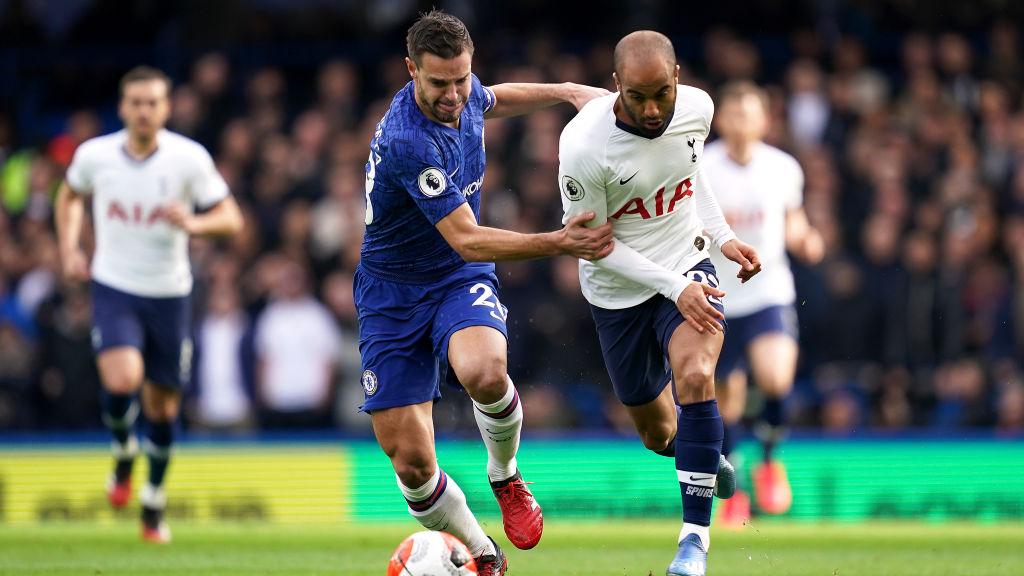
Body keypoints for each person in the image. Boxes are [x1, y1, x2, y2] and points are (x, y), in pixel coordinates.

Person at [357, 10, 611, 576]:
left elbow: (493, 98)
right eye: (439, 83)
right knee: (412, 464)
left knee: (485, 371)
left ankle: (505, 474)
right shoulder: (408, 142)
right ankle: (483, 552)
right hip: (391, 293)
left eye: (460, 79)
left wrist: (566, 90)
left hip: (453, 276)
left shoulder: (463, 92)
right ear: (410, 70)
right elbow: (469, 238)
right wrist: (559, 242)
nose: (454, 95)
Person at [557, 31, 762, 576]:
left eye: (661, 95)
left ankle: (694, 541)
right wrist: (674, 287)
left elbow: (689, 172)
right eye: (637, 97)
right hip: (617, 292)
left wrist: (722, 239)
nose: (651, 110)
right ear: (616, 86)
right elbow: (595, 247)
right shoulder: (583, 148)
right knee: (658, 434)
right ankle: (700, 454)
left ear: (677, 78)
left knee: (695, 374)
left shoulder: (699, 108)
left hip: (687, 264)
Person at [54, 66, 243, 543]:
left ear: (166, 108)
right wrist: (69, 249)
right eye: (136, 102)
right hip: (115, 285)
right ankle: (123, 452)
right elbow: (69, 195)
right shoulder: (95, 155)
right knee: (122, 379)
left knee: (162, 408)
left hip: (170, 293)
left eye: (152, 102)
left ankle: (153, 503)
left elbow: (230, 218)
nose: (144, 111)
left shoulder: (188, 159)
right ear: (122, 107)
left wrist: (194, 224)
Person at [704, 81, 825, 524]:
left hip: (768, 291)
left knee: (776, 378)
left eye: (750, 114)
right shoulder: (703, 167)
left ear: (764, 121)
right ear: (721, 120)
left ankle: (771, 458)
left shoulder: (783, 167)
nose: (742, 122)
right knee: (727, 399)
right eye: (734, 114)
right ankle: (734, 487)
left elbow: (793, 220)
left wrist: (805, 238)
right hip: (718, 294)